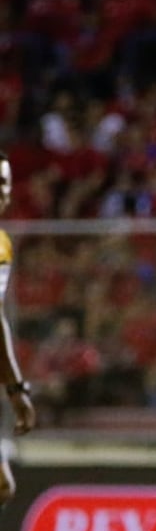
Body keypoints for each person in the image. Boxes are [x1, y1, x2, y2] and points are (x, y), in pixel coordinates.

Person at [0, 151, 36, 509]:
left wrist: (16, 388)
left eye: (5, 181)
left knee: (2, 486)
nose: (3, 190)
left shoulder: (1, 245)